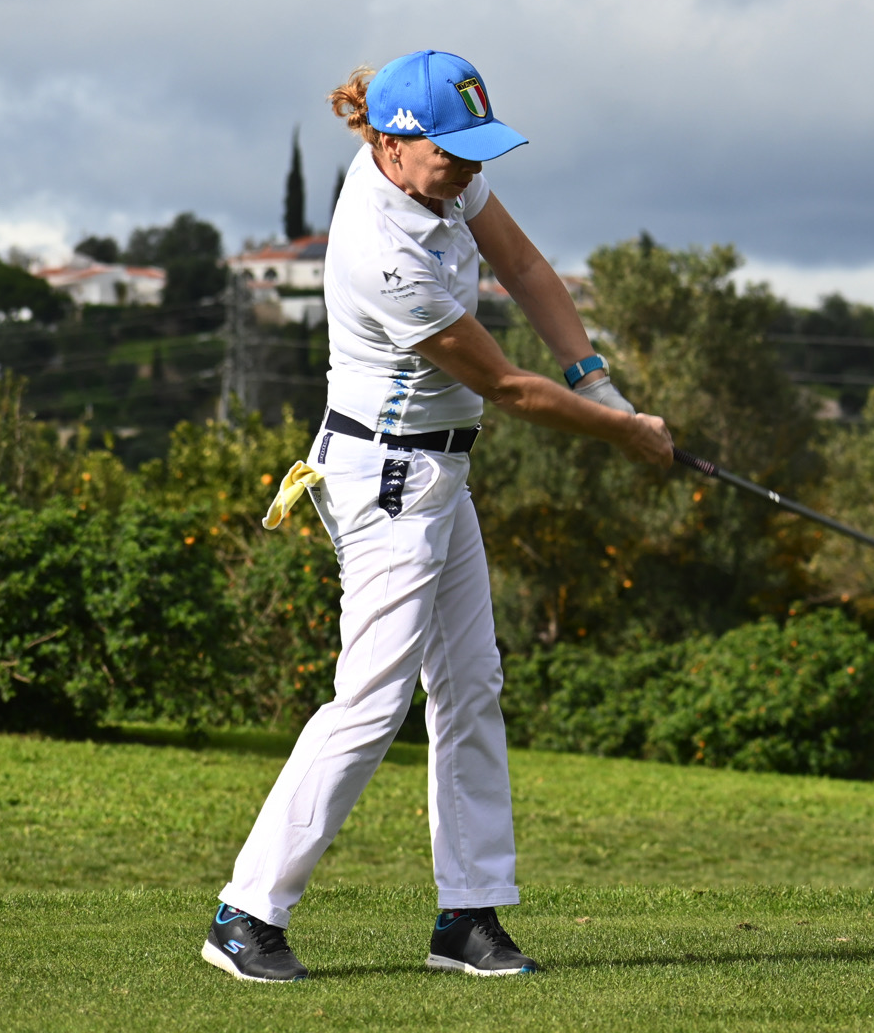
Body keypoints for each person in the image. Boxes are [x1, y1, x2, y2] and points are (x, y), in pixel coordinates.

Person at [202, 50, 673, 983]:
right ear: (390, 143)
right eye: (450, 152)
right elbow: (506, 386)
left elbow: (525, 265)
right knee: (372, 701)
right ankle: (245, 915)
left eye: (473, 150)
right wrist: (623, 433)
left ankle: (467, 916)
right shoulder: (384, 251)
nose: (466, 168)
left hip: (438, 475)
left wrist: (596, 378)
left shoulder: (437, 175)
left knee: (471, 685)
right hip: (385, 482)